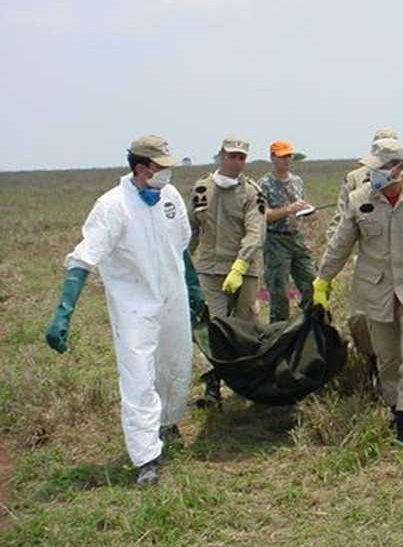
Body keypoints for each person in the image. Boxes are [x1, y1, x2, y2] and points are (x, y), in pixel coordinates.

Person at [43, 135, 203, 486]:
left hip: (172, 299)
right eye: (162, 168)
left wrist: (193, 290)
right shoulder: (113, 206)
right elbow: (84, 258)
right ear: (143, 168)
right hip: (136, 309)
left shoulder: (170, 198)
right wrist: (63, 313)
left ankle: (167, 423)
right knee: (139, 378)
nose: (168, 174)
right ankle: (147, 457)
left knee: (176, 364)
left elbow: (180, 247)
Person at [313, 137, 403, 450]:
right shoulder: (359, 199)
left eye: (379, 168)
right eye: (371, 168)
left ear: (398, 168)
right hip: (377, 288)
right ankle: (396, 410)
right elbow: (340, 245)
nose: (373, 174)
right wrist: (323, 281)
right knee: (388, 357)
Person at [326, 127, 403, 362]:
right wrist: (330, 264)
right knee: (361, 318)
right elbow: (339, 222)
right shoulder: (355, 180)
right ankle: (372, 360)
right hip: (369, 263)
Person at [188, 136, 266, 405]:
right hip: (210, 270)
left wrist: (240, 265)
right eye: (232, 155)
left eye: (241, 157)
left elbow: (255, 233)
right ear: (221, 155)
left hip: (244, 271)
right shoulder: (201, 188)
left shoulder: (252, 192)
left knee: (246, 325)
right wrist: (184, 263)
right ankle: (212, 385)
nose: (236, 161)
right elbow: (193, 229)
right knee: (213, 327)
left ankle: (251, 380)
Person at [258, 139, 317, 322]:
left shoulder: (297, 181)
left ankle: (309, 325)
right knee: (279, 294)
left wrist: (306, 211)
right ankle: (279, 334)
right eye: (282, 156)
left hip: (296, 238)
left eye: (289, 156)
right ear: (272, 158)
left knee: (313, 285)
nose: (287, 160)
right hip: (276, 241)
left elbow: (301, 210)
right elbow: (263, 215)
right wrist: (289, 209)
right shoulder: (264, 184)